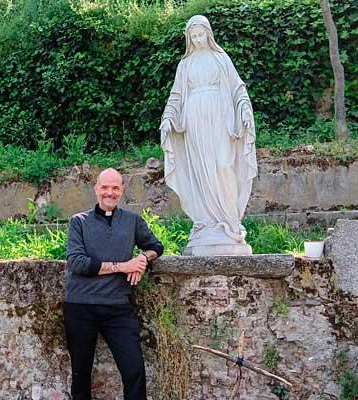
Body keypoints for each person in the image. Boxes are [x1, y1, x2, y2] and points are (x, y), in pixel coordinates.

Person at [159, 15, 258, 256]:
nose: (197, 39)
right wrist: (168, 117)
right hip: (194, 122)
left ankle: (229, 221)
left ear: (208, 34)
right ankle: (207, 222)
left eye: (200, 34)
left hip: (220, 118)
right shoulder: (185, 65)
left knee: (224, 165)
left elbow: (237, 87)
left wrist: (244, 109)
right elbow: (176, 95)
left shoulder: (220, 59)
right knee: (201, 171)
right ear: (188, 39)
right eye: (193, 36)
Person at [64, 168, 164, 400]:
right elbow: (77, 263)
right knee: (81, 375)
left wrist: (142, 259)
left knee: (135, 370)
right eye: (105, 187)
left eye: (115, 188)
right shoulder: (78, 222)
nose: (110, 192)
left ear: (122, 191)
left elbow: (156, 247)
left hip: (117, 308)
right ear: (96, 189)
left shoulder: (132, 221)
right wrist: (123, 266)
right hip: (80, 307)